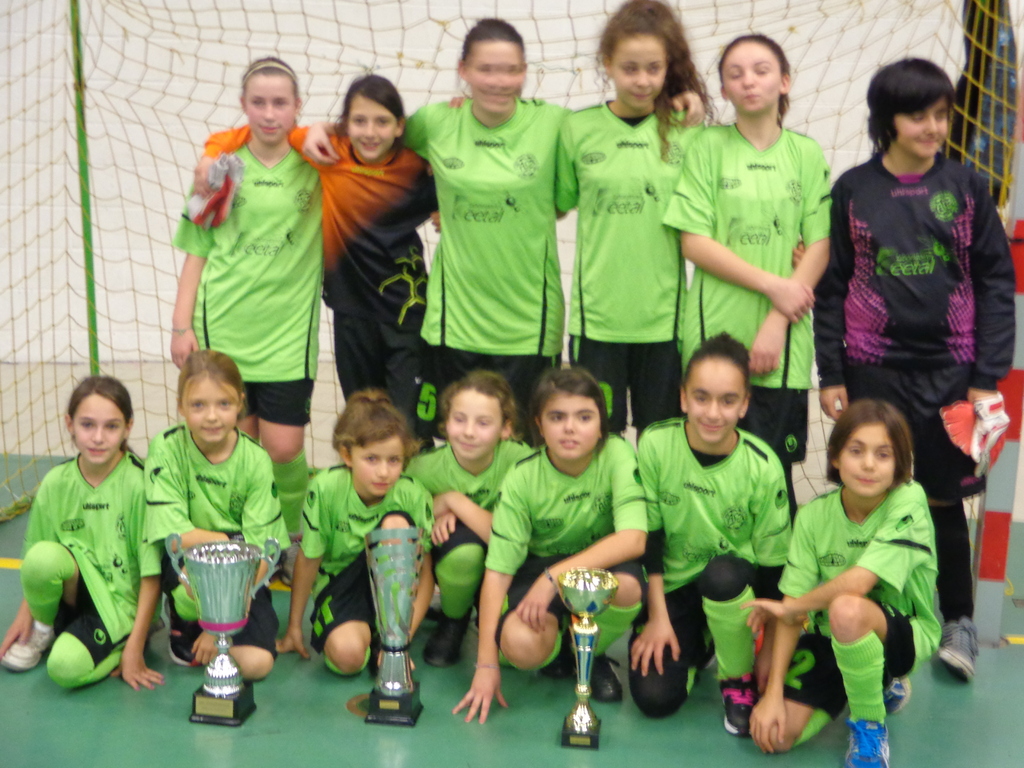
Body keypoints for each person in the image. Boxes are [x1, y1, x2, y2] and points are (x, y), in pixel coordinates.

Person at [814, 58, 1015, 682]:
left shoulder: (967, 187)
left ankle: (958, 621)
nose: (932, 127)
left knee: (942, 499)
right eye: (917, 115)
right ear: (887, 121)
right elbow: (832, 286)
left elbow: (995, 281)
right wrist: (831, 373)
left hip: (951, 371)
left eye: (941, 115)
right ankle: (874, 615)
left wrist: (986, 375)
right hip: (871, 371)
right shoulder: (853, 189)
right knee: (872, 492)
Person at [198, 74, 437, 440]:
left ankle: (414, 476)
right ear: (345, 125)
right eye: (359, 121)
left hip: (406, 313)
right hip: (350, 312)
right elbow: (256, 132)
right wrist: (212, 151)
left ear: (399, 126)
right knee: (363, 417)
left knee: (406, 426)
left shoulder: (416, 167)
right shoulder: (330, 153)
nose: (370, 131)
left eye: (382, 121)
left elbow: (461, 179)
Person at [663, 34, 832, 514]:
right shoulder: (706, 146)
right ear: (723, 89)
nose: (749, 81)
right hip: (714, 335)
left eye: (761, 70)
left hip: (783, 346)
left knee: (772, 480)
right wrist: (775, 286)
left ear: (784, 82)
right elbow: (694, 242)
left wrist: (777, 319)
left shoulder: (806, 153)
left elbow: (820, 245)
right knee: (706, 477)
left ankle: (774, 568)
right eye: (735, 74)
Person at [172, 56, 322, 550]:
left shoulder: (318, 167)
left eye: (280, 102)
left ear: (297, 106)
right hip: (224, 328)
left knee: (284, 447)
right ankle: (249, 540)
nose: (269, 113)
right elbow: (197, 249)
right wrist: (181, 325)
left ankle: (292, 537)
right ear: (243, 105)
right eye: (258, 102)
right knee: (239, 444)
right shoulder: (219, 171)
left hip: (288, 335)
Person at [745, 399, 938, 768]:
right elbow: (791, 609)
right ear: (835, 456)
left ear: (899, 463)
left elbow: (858, 583)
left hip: (904, 632)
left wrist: (790, 608)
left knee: (847, 609)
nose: (868, 464)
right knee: (776, 737)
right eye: (856, 451)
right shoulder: (813, 516)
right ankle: (866, 681)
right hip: (830, 634)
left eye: (883, 454)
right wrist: (771, 694)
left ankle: (870, 724)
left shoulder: (909, 499)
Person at [454, 367, 647, 724]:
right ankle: (559, 648)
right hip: (537, 568)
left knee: (628, 587)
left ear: (601, 425)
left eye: (584, 417)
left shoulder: (617, 453)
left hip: (593, 566)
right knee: (520, 645)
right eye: (557, 417)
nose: (570, 428)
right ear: (539, 426)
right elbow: (497, 573)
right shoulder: (522, 477)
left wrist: (554, 577)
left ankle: (590, 652)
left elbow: (634, 539)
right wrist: (485, 664)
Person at [556, 0, 709, 434]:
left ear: (668, 67)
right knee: (597, 442)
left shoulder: (688, 130)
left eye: (653, 68)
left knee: (662, 443)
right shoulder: (577, 129)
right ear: (607, 64)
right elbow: (555, 202)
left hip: (665, 324)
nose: (642, 80)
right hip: (596, 322)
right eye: (630, 68)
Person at [630, 333, 790, 736]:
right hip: (674, 587)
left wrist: (769, 651)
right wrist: (657, 618)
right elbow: (650, 541)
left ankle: (736, 677)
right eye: (701, 398)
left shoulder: (763, 466)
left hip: (735, 589)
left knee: (722, 574)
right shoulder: (655, 444)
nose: (713, 413)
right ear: (683, 398)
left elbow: (775, 571)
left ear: (745, 404)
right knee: (654, 699)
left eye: (727, 400)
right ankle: (700, 642)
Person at [1, 376, 163, 690]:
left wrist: (135, 646)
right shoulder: (55, 482)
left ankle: (121, 641)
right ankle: (44, 629)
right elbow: (37, 560)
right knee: (42, 557)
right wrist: (27, 615)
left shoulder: (139, 485)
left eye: (111, 426)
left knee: (63, 667)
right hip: (74, 593)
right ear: (70, 425)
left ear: (128, 428)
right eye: (87, 425)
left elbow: (151, 574)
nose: (98, 437)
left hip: (118, 606)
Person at [144, 350, 288, 680]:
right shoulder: (166, 448)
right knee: (189, 586)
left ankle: (217, 630)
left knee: (257, 665)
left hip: (243, 575)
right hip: (191, 564)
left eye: (223, 404)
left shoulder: (255, 460)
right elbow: (175, 539)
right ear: (181, 406)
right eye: (198, 405)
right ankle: (183, 613)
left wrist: (220, 623)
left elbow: (264, 550)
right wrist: (232, 542)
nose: (212, 417)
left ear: (240, 403)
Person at [277, 391, 434, 675]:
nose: (383, 472)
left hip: (392, 591)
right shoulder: (326, 489)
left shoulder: (412, 494)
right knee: (348, 659)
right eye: (371, 459)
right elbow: (309, 559)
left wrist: (402, 642)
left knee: (395, 524)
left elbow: (424, 574)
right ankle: (364, 635)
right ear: (347, 455)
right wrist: (293, 627)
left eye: (394, 460)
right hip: (341, 586)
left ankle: (389, 636)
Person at [406, 370, 532, 666]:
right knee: (463, 552)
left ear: (505, 428)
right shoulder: (422, 469)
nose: (469, 432)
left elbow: (510, 539)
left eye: (483, 423)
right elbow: (402, 527)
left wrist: (454, 501)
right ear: (446, 423)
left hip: (510, 560)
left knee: (516, 655)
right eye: (459, 419)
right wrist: (433, 510)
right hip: (453, 559)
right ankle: (454, 619)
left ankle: (496, 613)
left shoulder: (521, 461)